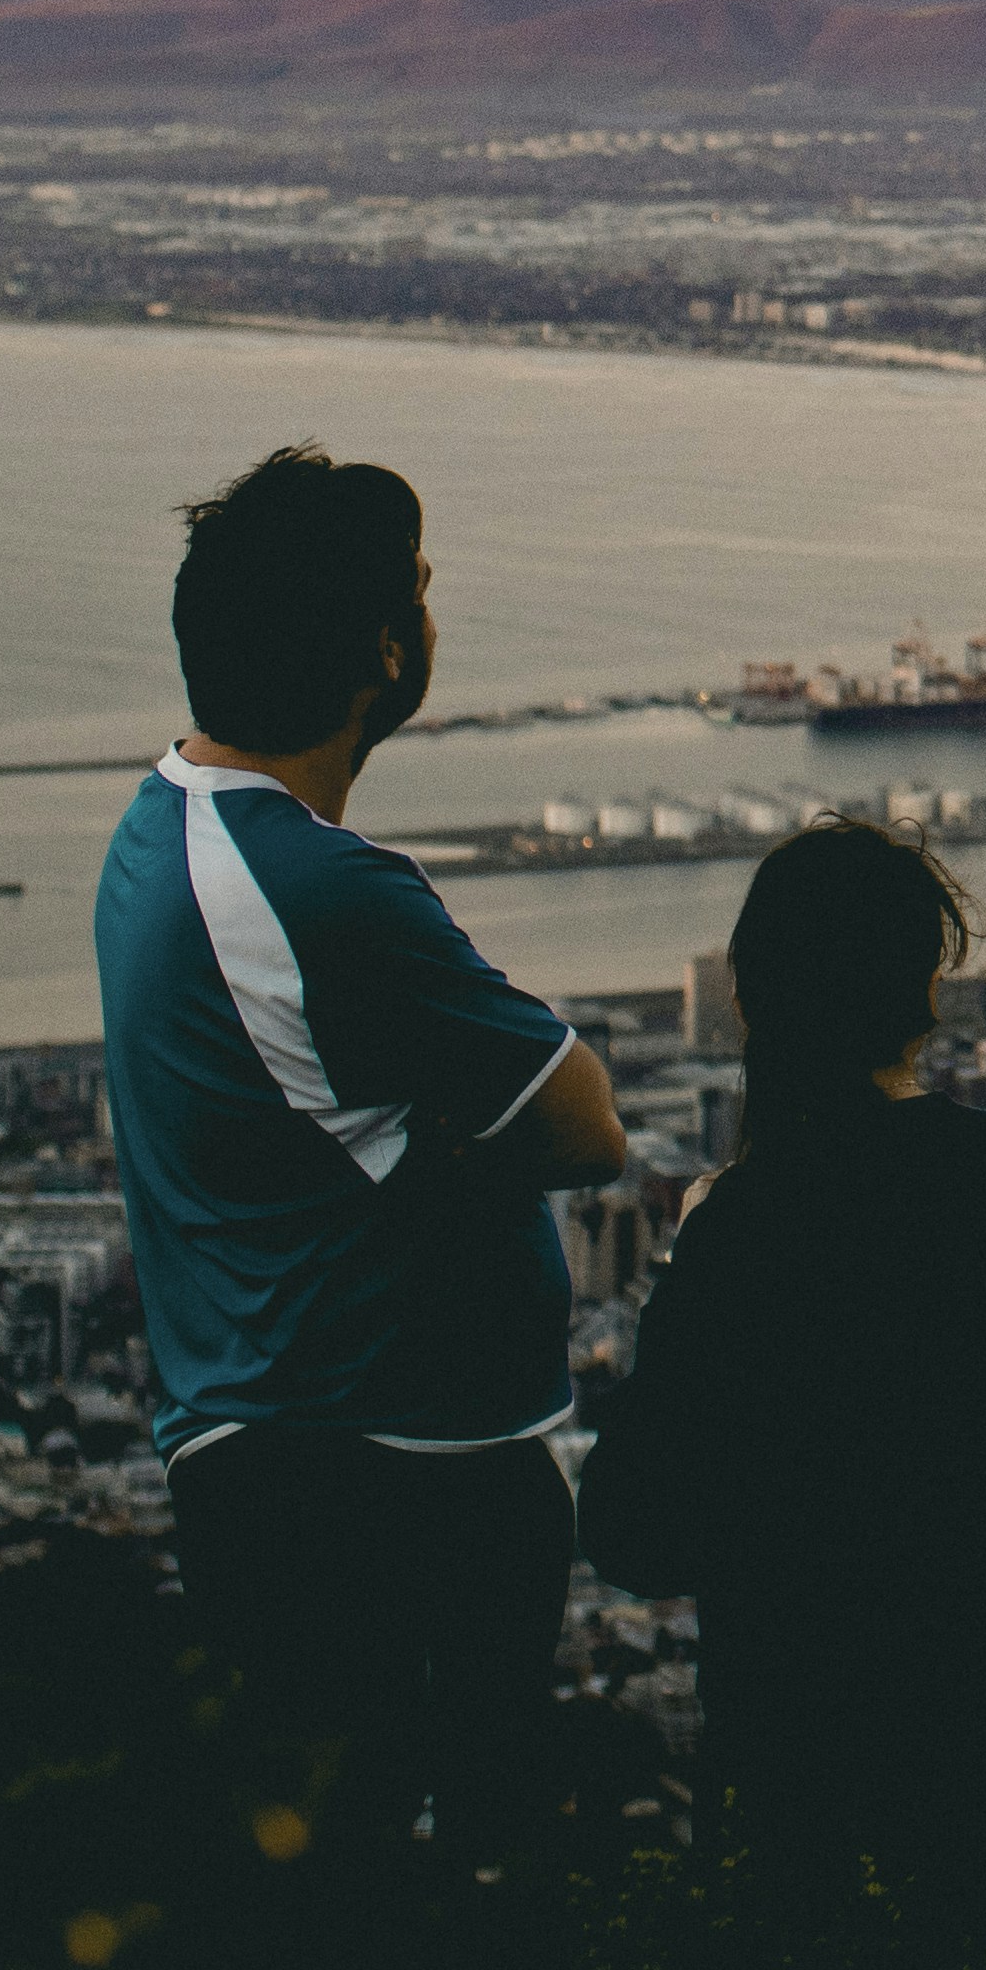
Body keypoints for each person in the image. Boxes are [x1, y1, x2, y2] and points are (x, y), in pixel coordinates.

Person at [92, 446, 629, 1849]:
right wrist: (463, 1144)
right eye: (423, 597)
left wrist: (438, 1140)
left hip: (280, 1454)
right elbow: (585, 1126)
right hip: (387, 1474)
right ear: (384, 652)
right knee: (437, 1905)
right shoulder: (325, 890)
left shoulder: (162, 827)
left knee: (335, 1893)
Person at [580, 818, 986, 1911]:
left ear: (750, 1003)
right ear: (928, 992)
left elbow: (631, 1531)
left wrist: (685, 1270)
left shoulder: (744, 1231)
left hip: (802, 1801)